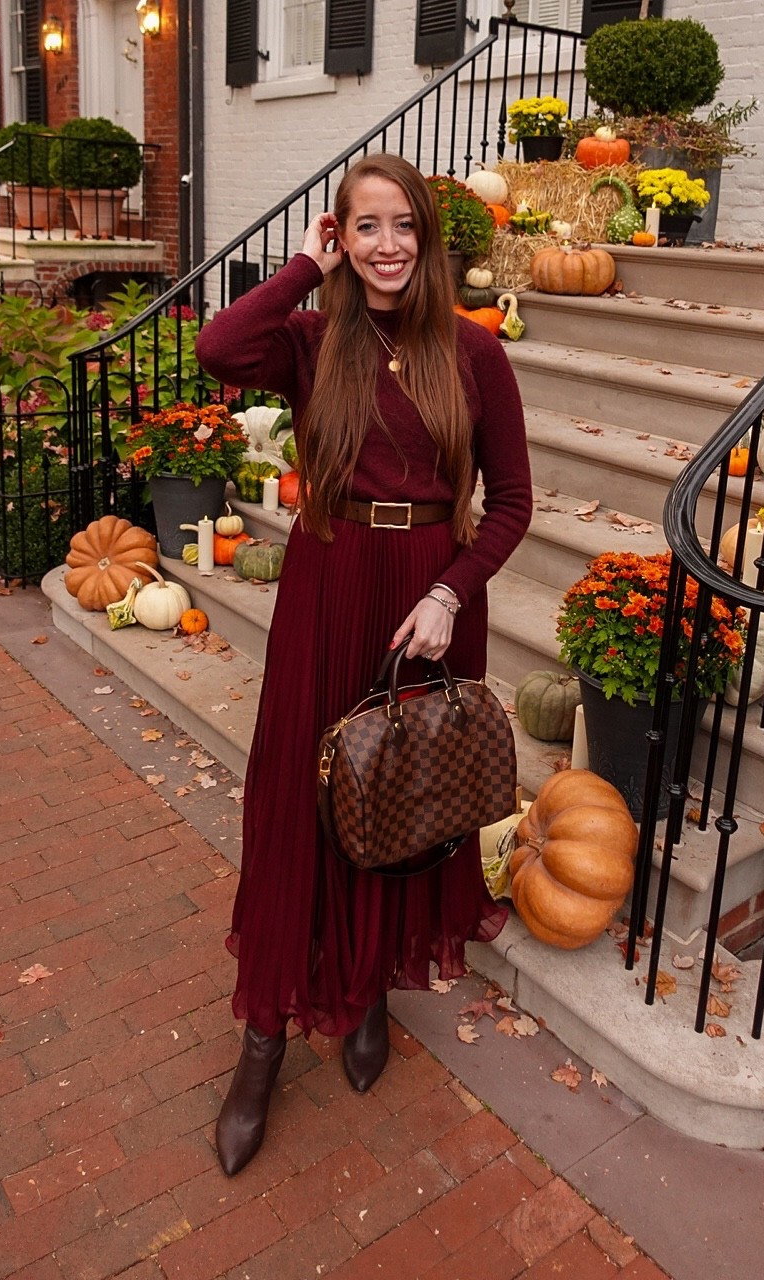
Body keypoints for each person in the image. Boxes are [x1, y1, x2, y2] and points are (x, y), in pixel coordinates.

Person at [194, 152, 533, 1176]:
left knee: (401, 795)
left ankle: (371, 981)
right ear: (341, 235)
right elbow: (218, 344)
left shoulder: (474, 353)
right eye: (365, 226)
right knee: (304, 801)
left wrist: (448, 592)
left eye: (404, 226)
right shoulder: (310, 340)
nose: (387, 245)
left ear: (427, 239)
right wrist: (304, 267)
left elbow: (512, 501)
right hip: (330, 581)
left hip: (428, 592)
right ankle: (263, 1038)